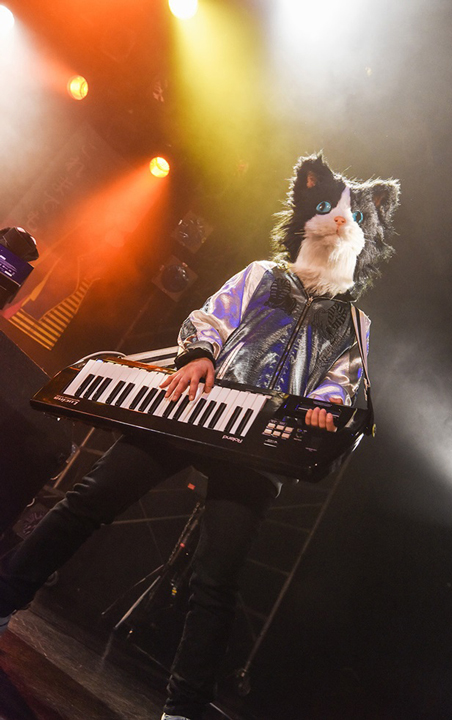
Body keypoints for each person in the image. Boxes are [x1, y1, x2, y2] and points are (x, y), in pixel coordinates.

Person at [0, 153, 400, 720]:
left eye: (354, 217)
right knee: (87, 501)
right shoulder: (263, 275)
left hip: (259, 445)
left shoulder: (357, 326)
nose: (340, 222)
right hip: (195, 407)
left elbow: (341, 384)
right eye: (331, 210)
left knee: (217, 579)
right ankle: (5, 598)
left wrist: (325, 412)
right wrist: (198, 354)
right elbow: (212, 317)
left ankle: (184, 708)